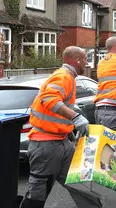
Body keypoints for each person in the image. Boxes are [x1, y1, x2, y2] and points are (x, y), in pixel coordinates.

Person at [20, 46, 103, 208]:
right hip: (46, 145)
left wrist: (73, 116)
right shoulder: (63, 76)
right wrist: (76, 117)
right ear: (77, 60)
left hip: (61, 143)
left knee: (81, 186)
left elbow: (61, 104)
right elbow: (49, 99)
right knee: (38, 194)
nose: (87, 64)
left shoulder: (68, 78)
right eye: (86, 59)